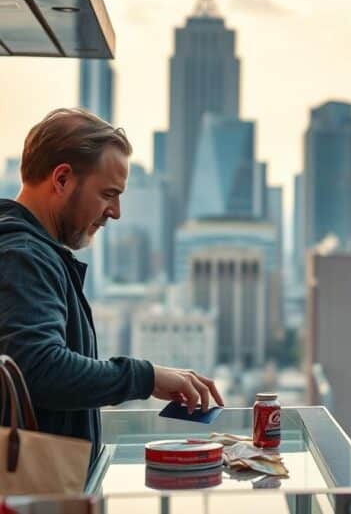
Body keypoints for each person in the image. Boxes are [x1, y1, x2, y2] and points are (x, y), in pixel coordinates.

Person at [0, 108, 224, 465]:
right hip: (35, 494)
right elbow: (40, 369)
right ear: (61, 179)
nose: (116, 211)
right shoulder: (24, 257)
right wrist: (146, 377)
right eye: (108, 194)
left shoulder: (29, 251)